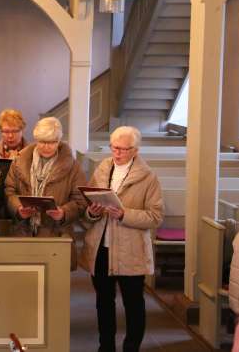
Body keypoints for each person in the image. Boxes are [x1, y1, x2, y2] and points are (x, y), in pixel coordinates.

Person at [80, 126, 164, 352]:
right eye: (114, 148)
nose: (117, 153)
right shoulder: (103, 168)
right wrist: (93, 212)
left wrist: (125, 214)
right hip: (101, 246)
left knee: (133, 304)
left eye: (123, 149)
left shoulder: (147, 177)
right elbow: (89, 208)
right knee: (103, 303)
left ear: (135, 150)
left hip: (131, 249)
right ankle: (105, 346)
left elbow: (155, 216)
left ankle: (131, 347)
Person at [4, 117, 85, 269]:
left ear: (59, 141)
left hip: (56, 233)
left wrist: (64, 213)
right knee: (23, 285)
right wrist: (19, 209)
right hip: (24, 231)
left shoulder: (72, 166)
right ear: (36, 140)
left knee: (52, 287)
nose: (46, 147)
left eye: (52, 142)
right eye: (42, 141)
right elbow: (9, 191)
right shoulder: (19, 162)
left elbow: (80, 200)